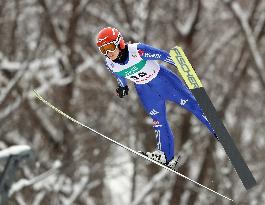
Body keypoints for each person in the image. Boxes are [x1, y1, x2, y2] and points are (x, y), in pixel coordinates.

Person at [96, 27, 217, 170]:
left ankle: (216, 128)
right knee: (158, 122)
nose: (108, 53)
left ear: (119, 43)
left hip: (163, 81)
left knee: (191, 104)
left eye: (109, 47)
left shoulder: (137, 50)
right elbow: (119, 76)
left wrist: (182, 64)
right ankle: (166, 156)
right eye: (103, 50)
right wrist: (123, 87)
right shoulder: (110, 63)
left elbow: (162, 55)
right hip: (145, 91)